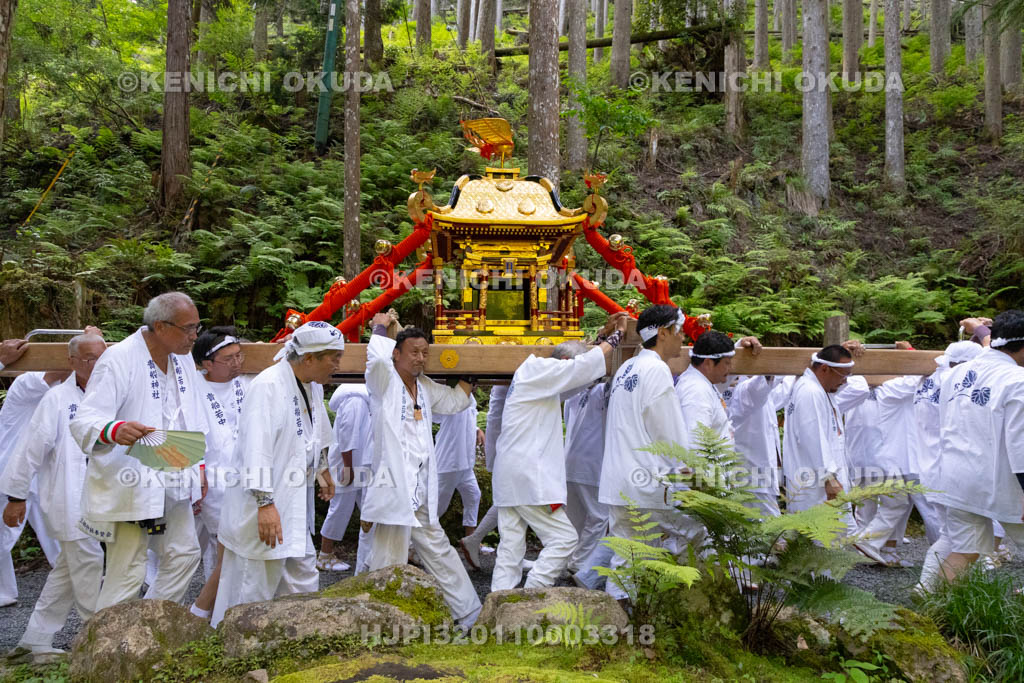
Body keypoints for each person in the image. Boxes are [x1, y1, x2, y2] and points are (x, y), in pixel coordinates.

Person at [70, 292, 209, 609]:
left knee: (185, 553)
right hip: (130, 478)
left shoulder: (183, 357)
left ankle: (145, 626)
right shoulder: (119, 359)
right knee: (127, 572)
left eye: (197, 327)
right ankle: (103, 648)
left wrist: (197, 466)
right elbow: (85, 419)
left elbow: (193, 415)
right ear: (160, 326)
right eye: (188, 328)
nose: (194, 336)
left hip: (172, 473)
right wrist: (114, 429)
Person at [211, 322, 341, 627]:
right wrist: (265, 504)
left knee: (302, 578)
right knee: (250, 589)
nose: (338, 365)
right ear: (309, 358)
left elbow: (315, 431)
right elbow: (255, 448)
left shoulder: (312, 385)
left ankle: (294, 647)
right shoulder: (268, 386)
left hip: (293, 504)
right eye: (333, 358)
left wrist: (322, 468)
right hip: (264, 505)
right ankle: (231, 654)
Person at [490, 312, 629, 592]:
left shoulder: (536, 379)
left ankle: (499, 604)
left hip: (512, 475)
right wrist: (617, 337)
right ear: (564, 364)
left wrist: (602, 335)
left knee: (511, 547)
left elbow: (579, 377)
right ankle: (533, 593)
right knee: (564, 539)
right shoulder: (539, 371)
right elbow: (584, 368)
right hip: (529, 476)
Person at [359, 312, 481, 627]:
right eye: (414, 352)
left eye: (425, 353)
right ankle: (380, 621)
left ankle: (469, 614)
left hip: (421, 490)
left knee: (439, 549)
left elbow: (455, 402)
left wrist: (473, 366)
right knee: (388, 557)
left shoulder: (424, 387)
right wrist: (381, 326)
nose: (421, 358)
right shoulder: (383, 380)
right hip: (395, 489)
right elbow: (376, 357)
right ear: (396, 353)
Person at [0, 334, 106, 655]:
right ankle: (96, 640)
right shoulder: (57, 398)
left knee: (66, 569)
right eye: (87, 359)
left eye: (101, 358)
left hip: (101, 499)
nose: (96, 365)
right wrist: (16, 497)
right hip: (67, 498)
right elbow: (29, 450)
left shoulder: (111, 396)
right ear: (71, 361)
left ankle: (35, 641)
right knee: (89, 563)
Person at [598, 305, 702, 603]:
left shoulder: (627, 367)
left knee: (626, 553)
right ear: (663, 332)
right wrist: (689, 470)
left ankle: (621, 619)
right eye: (679, 331)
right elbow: (668, 432)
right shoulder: (657, 370)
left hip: (618, 479)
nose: (682, 338)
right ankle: (678, 598)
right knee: (695, 529)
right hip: (645, 480)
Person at [928, 311, 1024, 582]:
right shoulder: (1018, 380)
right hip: (1001, 480)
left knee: (965, 550)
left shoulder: (956, 373)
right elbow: (1021, 442)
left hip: (958, 476)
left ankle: (933, 612)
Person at [781, 343, 881, 558]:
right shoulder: (810, 392)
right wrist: (829, 479)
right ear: (824, 369)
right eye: (842, 375)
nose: (845, 381)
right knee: (818, 544)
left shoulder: (820, 388)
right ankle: (811, 588)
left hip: (818, 479)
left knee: (829, 540)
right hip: (813, 482)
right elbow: (813, 439)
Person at [188, 328, 250, 620]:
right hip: (211, 479)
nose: (237, 363)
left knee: (234, 547)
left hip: (247, 477)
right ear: (206, 364)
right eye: (228, 359)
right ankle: (213, 611)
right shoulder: (191, 387)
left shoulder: (248, 383)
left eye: (239, 356)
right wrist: (196, 472)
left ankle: (220, 610)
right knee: (221, 546)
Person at [914, 341, 983, 592]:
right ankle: (933, 589)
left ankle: (929, 588)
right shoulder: (958, 385)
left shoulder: (930, 379)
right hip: (953, 471)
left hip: (932, 467)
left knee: (951, 535)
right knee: (965, 539)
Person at [318, 383, 373, 573]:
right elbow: (347, 436)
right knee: (339, 510)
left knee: (368, 512)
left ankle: (370, 557)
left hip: (358, 466)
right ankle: (325, 556)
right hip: (347, 467)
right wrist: (348, 468)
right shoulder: (356, 400)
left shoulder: (360, 399)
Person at [458, 385, 505, 569]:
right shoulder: (506, 388)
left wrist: (477, 428)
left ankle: (475, 540)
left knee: (498, 501)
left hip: (473, 461)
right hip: (453, 462)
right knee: (508, 502)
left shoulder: (501, 390)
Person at [433, 400, 484, 539]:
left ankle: (470, 540)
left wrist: (476, 429)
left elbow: (467, 419)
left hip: (465, 464)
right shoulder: (452, 396)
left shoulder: (471, 398)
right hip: (448, 464)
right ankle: (415, 543)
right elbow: (435, 416)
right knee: (436, 508)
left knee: (473, 495)